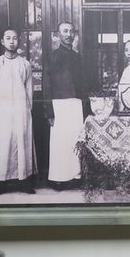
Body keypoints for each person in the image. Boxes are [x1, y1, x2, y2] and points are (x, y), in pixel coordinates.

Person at [0, 28, 37, 197]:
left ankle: (24, 181)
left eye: (15, 38)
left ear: (18, 41)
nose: (12, 41)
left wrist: (27, 109)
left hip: (21, 111)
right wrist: (0, 102)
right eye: (8, 38)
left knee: (22, 143)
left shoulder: (25, 64)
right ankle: (1, 183)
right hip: (4, 112)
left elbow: (29, 89)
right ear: (2, 41)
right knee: (3, 144)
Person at [43, 22, 86, 191]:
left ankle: (76, 176)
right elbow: (47, 85)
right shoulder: (51, 57)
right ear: (58, 35)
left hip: (76, 103)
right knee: (59, 142)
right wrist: (49, 112)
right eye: (65, 31)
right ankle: (58, 178)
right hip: (58, 104)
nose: (69, 34)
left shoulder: (78, 58)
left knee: (75, 140)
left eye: (71, 31)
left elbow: (82, 84)